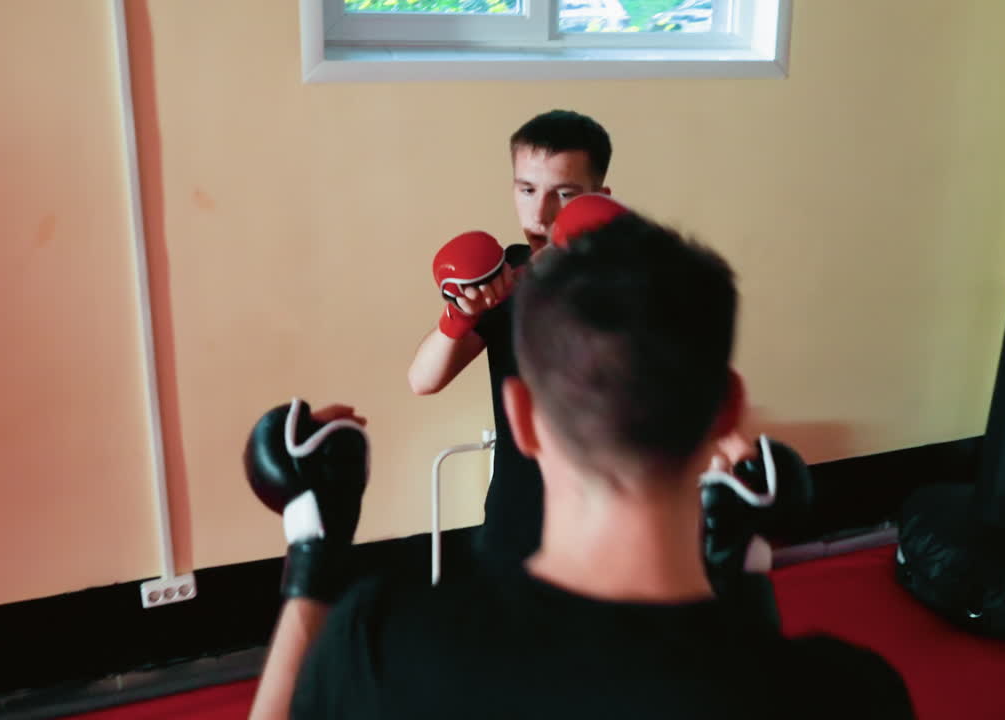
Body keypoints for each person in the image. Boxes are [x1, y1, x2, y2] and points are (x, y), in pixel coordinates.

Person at [248, 211, 915, 718]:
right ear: (728, 409)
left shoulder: (389, 643)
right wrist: (748, 565)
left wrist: (313, 549)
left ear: (521, 416)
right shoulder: (850, 691)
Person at [408, 109, 614, 565]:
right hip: (515, 514)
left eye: (565, 194)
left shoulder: (628, 281)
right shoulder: (503, 276)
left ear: (599, 199)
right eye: (527, 190)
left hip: (606, 519)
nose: (540, 213)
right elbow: (422, 380)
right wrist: (460, 314)